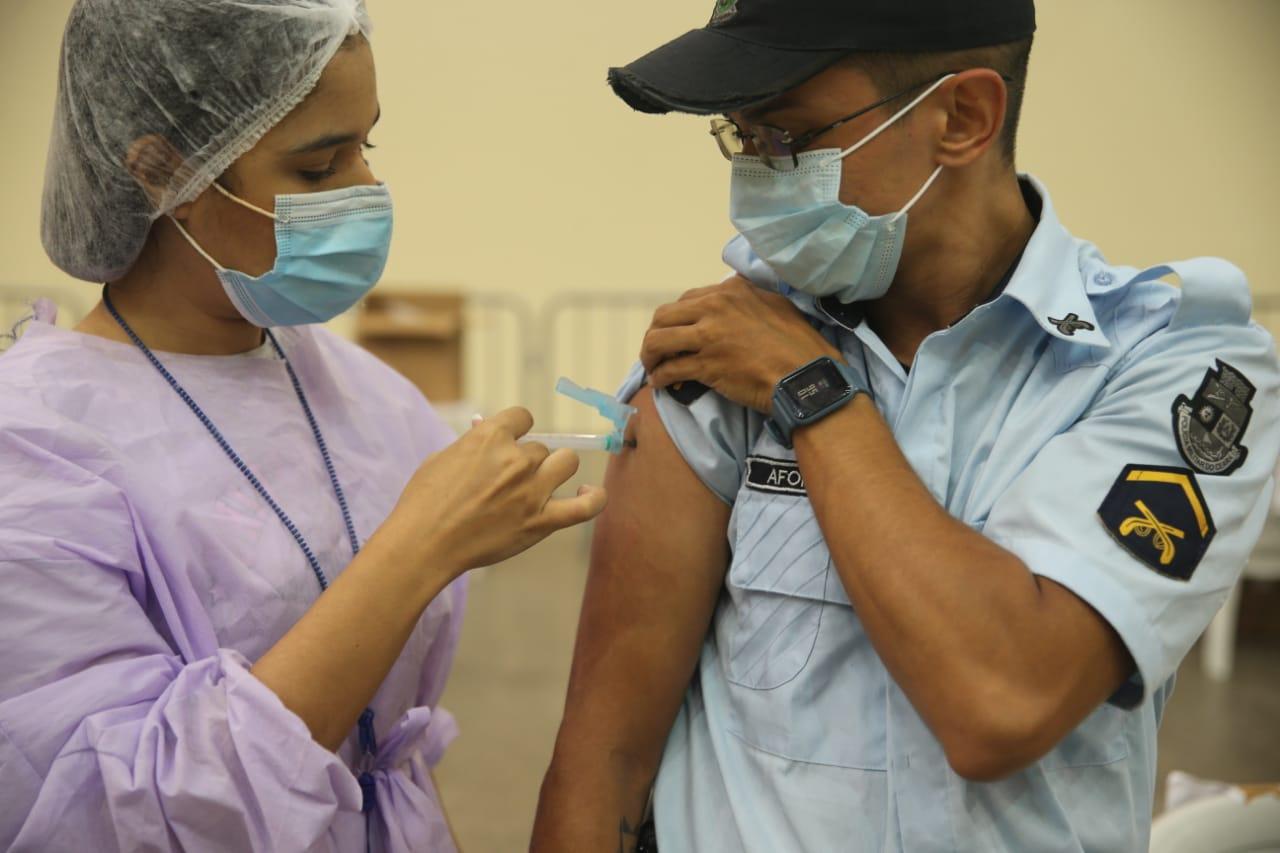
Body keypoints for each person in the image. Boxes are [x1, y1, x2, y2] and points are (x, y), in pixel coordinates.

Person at [533, 1, 1280, 851]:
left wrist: (813, 394)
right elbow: (603, 761)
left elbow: (1005, 699)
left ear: (962, 117)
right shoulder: (716, 361)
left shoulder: (1172, 369)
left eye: (789, 136)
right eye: (742, 137)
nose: (755, 178)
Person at [0, 1, 605, 850]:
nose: (366, 189)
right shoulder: (35, 447)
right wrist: (417, 548)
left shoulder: (363, 394)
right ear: (162, 172)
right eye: (319, 167)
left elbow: (384, 741)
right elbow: (116, 813)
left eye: (367, 146)